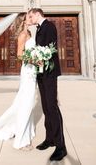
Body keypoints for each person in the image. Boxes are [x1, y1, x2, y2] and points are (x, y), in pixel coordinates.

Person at [0, 12, 36, 150]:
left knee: (24, 103)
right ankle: (21, 141)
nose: (31, 19)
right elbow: (19, 55)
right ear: (23, 20)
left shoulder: (28, 32)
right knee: (26, 103)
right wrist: (36, 60)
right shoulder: (23, 35)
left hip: (32, 71)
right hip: (28, 72)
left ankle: (21, 129)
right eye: (29, 17)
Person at [28, 8, 67, 161]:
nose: (30, 19)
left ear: (38, 14)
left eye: (31, 16)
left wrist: (41, 57)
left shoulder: (49, 26)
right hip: (41, 73)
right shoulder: (39, 29)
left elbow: (50, 49)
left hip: (49, 73)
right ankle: (50, 139)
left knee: (52, 107)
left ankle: (60, 146)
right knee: (45, 107)